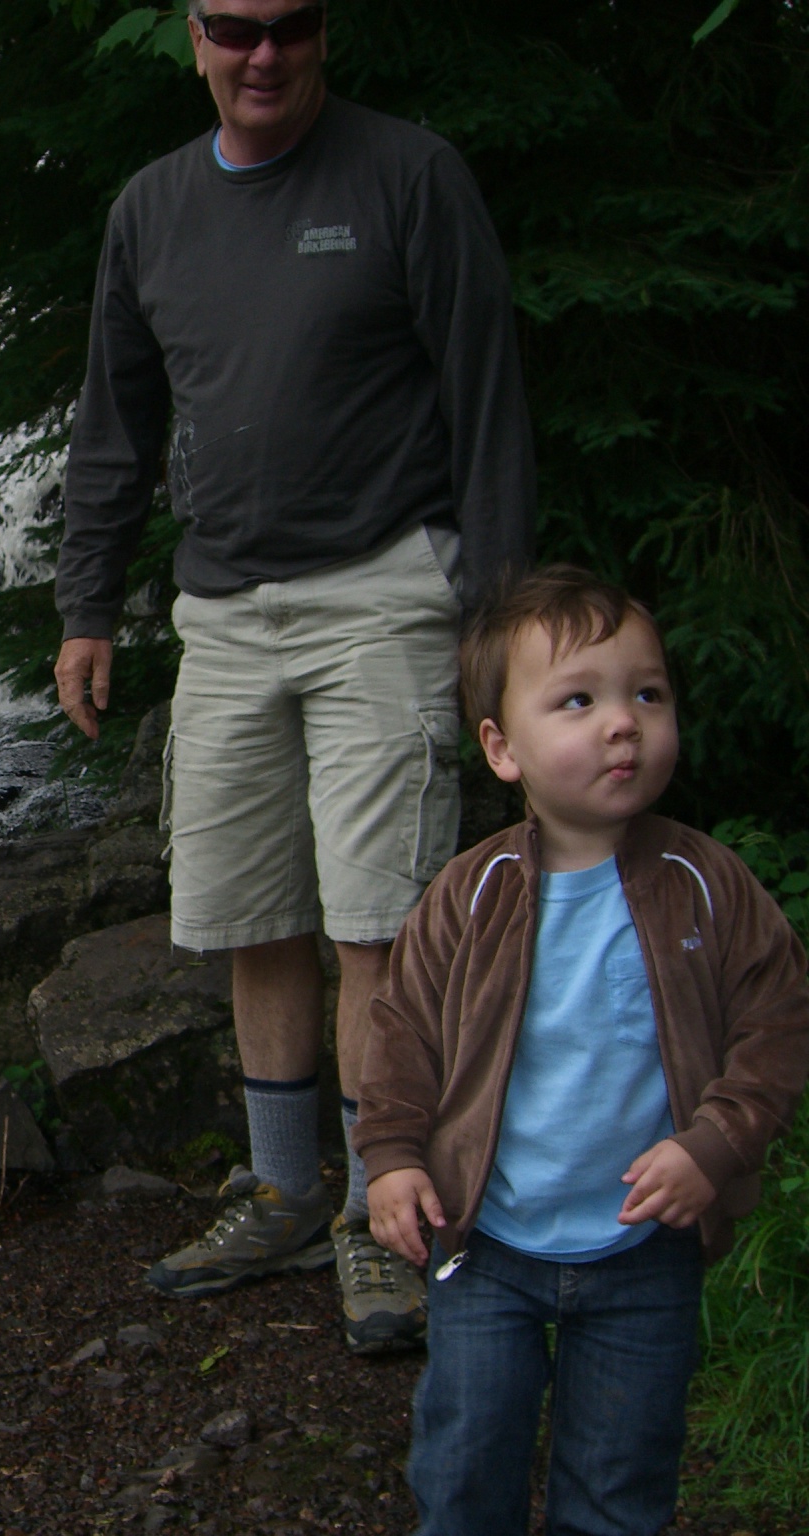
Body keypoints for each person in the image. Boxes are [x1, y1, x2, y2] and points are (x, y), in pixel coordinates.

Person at [52, 0, 534, 1351]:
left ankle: (380, 1215)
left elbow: (487, 398)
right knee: (251, 913)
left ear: (326, 35)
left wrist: (499, 625)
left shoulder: (408, 176)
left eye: (292, 26)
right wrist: (88, 605)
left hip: (384, 588)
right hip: (220, 610)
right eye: (236, 27)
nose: (263, 54)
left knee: (375, 922)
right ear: (193, 38)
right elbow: (114, 423)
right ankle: (281, 1191)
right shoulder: (151, 210)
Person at [356, 567, 809, 1535]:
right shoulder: (469, 895)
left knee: (616, 1486)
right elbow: (400, 1033)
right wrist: (391, 1158)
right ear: (501, 747)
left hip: (644, 1248)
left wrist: (715, 1145)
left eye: (647, 693)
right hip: (487, 1241)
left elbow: (778, 1019)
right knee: (465, 1466)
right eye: (578, 701)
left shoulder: (704, 883)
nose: (622, 724)